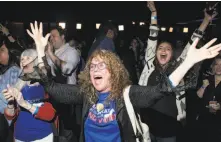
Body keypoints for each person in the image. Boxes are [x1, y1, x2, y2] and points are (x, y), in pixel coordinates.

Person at [25, 21, 221, 142]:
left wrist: (188, 62)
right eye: (93, 66)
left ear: (113, 73)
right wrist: (42, 51)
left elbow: (161, 89)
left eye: (102, 66)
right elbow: (50, 86)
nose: (96, 69)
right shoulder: (86, 93)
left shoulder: (127, 94)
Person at [138, 1, 218, 141]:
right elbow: (152, 36)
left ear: (171, 54)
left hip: (169, 127)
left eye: (168, 49)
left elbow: (191, 43)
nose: (163, 50)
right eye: (160, 48)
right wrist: (154, 14)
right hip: (148, 125)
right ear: (155, 52)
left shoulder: (177, 67)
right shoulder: (150, 66)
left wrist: (205, 20)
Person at [2, 49, 56, 142]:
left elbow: (50, 113)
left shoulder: (46, 83)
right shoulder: (18, 85)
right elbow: (10, 116)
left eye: (28, 58)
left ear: (36, 61)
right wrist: (10, 103)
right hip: (21, 134)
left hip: (43, 134)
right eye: (22, 59)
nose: (23, 60)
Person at [0, 34, 23, 142]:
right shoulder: (5, 70)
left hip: (6, 120)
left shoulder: (13, 71)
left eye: (2, 50)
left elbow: (11, 99)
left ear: (11, 53)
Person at [196, 56, 221, 142]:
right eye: (216, 64)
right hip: (204, 118)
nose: (219, 67)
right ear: (213, 66)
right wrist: (204, 86)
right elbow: (199, 95)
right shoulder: (207, 79)